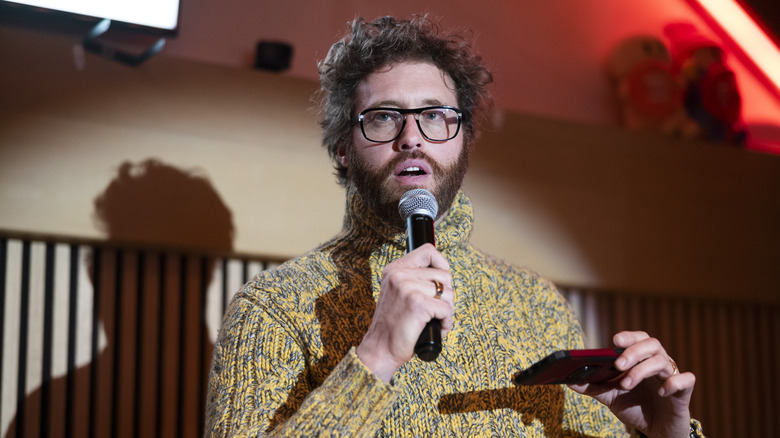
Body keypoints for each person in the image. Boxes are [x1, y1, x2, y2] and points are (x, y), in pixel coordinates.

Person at [205, 16, 702, 437]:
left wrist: (662, 432)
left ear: (462, 138)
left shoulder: (536, 303)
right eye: (382, 118)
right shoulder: (272, 307)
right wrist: (374, 356)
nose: (412, 138)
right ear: (342, 145)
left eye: (436, 116)